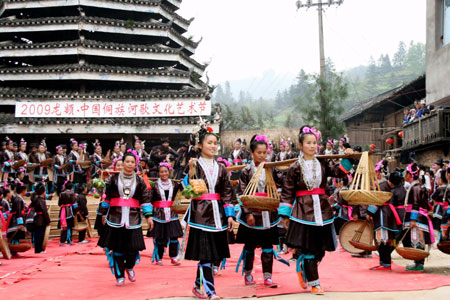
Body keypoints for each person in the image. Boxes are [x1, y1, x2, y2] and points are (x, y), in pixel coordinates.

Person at [280, 125, 353, 295]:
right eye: (308, 143)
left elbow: (339, 172)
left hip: (322, 209)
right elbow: (288, 191)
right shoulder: (295, 168)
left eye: (314, 143)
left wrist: (349, 158)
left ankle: (304, 266)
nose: (313, 146)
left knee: (321, 250)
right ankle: (315, 283)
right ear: (301, 145)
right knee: (310, 248)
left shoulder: (323, 162)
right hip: (303, 211)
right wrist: (284, 214)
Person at [184, 124, 235, 300]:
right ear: (200, 145)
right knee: (206, 255)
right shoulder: (195, 164)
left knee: (215, 256)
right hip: (201, 215)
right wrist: (190, 170)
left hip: (218, 215)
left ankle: (197, 287)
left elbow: (227, 191)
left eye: (215, 143)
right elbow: (186, 186)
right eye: (209, 143)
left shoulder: (221, 167)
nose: (213, 146)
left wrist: (229, 214)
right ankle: (210, 292)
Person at [235, 135, 285, 288]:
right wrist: (248, 212)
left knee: (268, 247)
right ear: (252, 153)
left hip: (268, 214)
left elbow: (282, 182)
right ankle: (248, 274)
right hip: (252, 214)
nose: (262, 156)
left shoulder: (271, 169)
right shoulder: (246, 171)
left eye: (265, 153)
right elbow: (242, 193)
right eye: (259, 153)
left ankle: (267, 277)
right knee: (249, 246)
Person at [97, 151, 152, 286]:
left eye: (132, 162)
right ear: (122, 164)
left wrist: (149, 217)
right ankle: (119, 275)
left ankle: (130, 267)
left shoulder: (140, 180)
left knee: (133, 249)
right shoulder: (113, 179)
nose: (129, 164)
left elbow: (145, 199)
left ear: (136, 164)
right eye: (127, 161)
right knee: (117, 249)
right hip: (115, 217)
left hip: (133, 219)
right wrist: (103, 214)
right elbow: (107, 198)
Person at [367, 171, 406, 270]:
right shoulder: (397, 188)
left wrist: (369, 213)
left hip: (383, 218)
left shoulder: (385, 187)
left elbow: (376, 201)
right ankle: (383, 262)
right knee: (384, 240)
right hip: (389, 216)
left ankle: (386, 263)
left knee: (384, 240)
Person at [147, 162, 183, 266]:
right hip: (158, 214)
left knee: (174, 238)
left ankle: (174, 257)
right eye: (161, 172)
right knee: (159, 238)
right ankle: (159, 257)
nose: (164, 174)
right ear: (158, 173)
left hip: (172, 214)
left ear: (169, 172)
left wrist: (190, 169)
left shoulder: (174, 184)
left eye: (165, 172)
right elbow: (149, 199)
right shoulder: (154, 185)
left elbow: (185, 188)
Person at [402, 163, 433, 272]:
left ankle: (419, 263)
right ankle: (417, 262)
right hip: (419, 216)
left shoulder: (416, 187)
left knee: (418, 240)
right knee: (417, 240)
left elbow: (415, 204)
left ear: (409, 175)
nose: (404, 175)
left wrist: (413, 219)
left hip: (417, 218)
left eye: (405, 173)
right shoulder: (416, 186)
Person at [30, 182, 50, 253]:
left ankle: (38, 249)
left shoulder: (35, 199)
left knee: (37, 235)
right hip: (40, 219)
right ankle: (39, 249)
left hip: (36, 218)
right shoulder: (41, 200)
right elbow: (44, 211)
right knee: (40, 235)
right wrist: (48, 220)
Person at [7, 185, 27, 256]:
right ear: (23, 191)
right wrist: (20, 223)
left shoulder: (18, 198)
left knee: (15, 235)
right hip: (15, 220)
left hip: (15, 218)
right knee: (14, 235)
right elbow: (19, 211)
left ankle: (14, 250)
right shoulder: (18, 199)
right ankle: (13, 249)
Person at [58, 181, 77, 245]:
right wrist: (77, 211)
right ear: (72, 187)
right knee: (69, 226)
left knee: (64, 226)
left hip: (63, 210)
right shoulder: (72, 193)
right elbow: (74, 203)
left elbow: (59, 204)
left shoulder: (61, 193)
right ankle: (69, 240)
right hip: (69, 211)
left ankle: (62, 240)